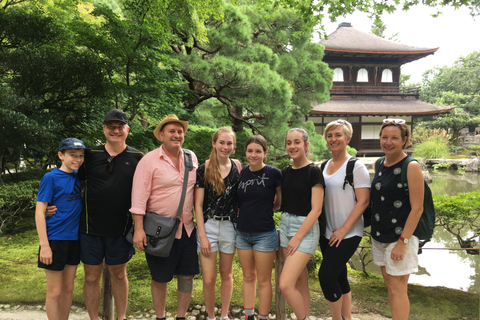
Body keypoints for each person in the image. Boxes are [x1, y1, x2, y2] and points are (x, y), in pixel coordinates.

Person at [51, 109, 143, 320]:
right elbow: (69, 180)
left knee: (119, 274)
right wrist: (49, 203)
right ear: (104, 129)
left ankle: (121, 317)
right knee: (91, 276)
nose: (116, 131)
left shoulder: (138, 157)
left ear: (127, 129)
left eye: (120, 127)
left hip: (120, 229)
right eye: (111, 127)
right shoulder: (90, 155)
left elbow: (146, 192)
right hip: (89, 229)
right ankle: (94, 318)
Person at [130, 114, 199, 320]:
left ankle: (181, 317)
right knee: (160, 278)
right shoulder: (148, 160)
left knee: (187, 275)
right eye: (172, 131)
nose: (177, 135)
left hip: (187, 228)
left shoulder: (191, 157)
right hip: (158, 231)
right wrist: (139, 229)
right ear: (161, 135)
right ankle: (160, 317)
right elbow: (139, 197)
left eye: (180, 132)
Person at [371, 119, 424, 320]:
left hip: (400, 237)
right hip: (379, 235)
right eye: (384, 137)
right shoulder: (379, 163)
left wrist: (403, 242)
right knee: (389, 284)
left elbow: (417, 209)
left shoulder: (410, 166)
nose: (388, 142)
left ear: (404, 140)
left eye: (394, 138)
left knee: (397, 287)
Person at [318, 120, 370, 320]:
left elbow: (363, 201)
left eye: (338, 135)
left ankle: (336, 318)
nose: (334, 139)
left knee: (326, 276)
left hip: (348, 232)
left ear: (348, 138)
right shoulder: (324, 165)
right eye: (330, 136)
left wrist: (343, 230)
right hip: (327, 232)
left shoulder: (356, 166)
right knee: (339, 276)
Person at [194, 127, 242, 320]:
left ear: (234, 146)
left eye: (229, 143)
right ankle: (211, 316)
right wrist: (203, 236)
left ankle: (224, 316)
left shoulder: (238, 166)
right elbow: (197, 205)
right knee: (208, 278)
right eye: (221, 142)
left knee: (227, 275)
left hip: (230, 226)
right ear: (214, 143)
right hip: (209, 226)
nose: (225, 146)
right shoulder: (204, 168)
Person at [35, 138, 86, 320]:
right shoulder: (50, 177)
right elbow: (40, 211)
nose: (77, 159)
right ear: (60, 155)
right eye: (72, 155)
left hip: (74, 239)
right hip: (54, 239)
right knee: (55, 291)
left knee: (68, 288)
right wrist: (45, 245)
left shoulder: (80, 176)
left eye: (80, 156)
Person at [278, 128, 324, 320]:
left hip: (304, 229)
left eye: (297, 142)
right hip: (286, 224)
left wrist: (297, 238)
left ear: (306, 145)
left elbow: (316, 210)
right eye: (289, 143)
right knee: (300, 280)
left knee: (285, 284)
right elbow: (281, 203)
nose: (292, 146)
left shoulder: (313, 172)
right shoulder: (285, 172)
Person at [236, 135, 282, 320]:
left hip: (264, 234)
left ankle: (262, 316)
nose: (253, 155)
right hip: (242, 234)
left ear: (265, 152)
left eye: (258, 151)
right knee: (248, 277)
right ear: (246, 152)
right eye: (250, 151)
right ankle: (249, 315)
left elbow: (280, 201)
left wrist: (265, 209)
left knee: (263, 280)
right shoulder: (242, 172)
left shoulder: (274, 173)